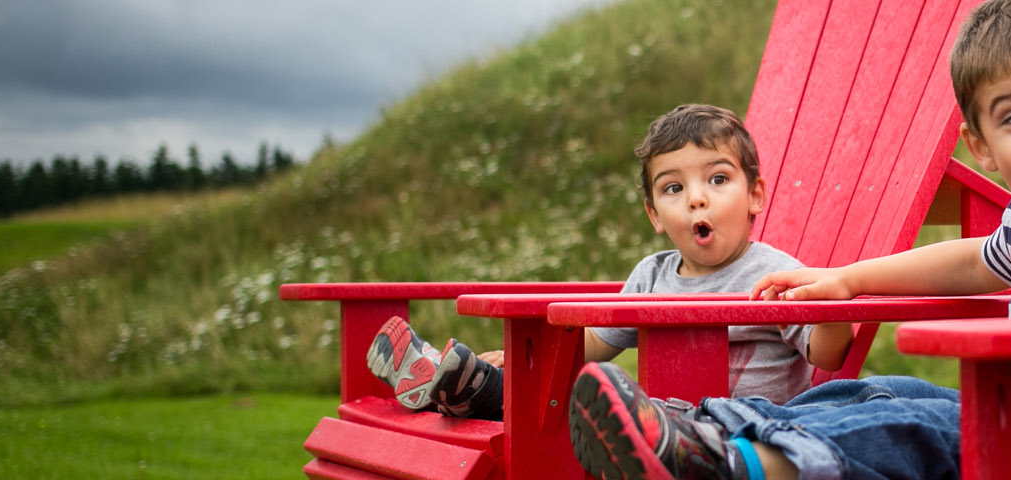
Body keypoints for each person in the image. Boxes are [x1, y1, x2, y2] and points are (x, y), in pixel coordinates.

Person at [564, 0, 1011, 478]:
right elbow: (968, 262)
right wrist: (853, 280)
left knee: (932, 429)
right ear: (981, 147)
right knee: (877, 394)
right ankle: (693, 429)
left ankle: (730, 467)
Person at [365, 104, 856, 421]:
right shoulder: (652, 276)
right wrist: (520, 358)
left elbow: (827, 355)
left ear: (755, 195)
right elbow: (592, 344)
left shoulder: (774, 272)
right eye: (673, 188)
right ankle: (460, 381)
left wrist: (833, 303)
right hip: (659, 432)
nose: (696, 200)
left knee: (600, 407)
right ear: (654, 215)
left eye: (718, 180)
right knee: (574, 395)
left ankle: (474, 391)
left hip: (752, 434)